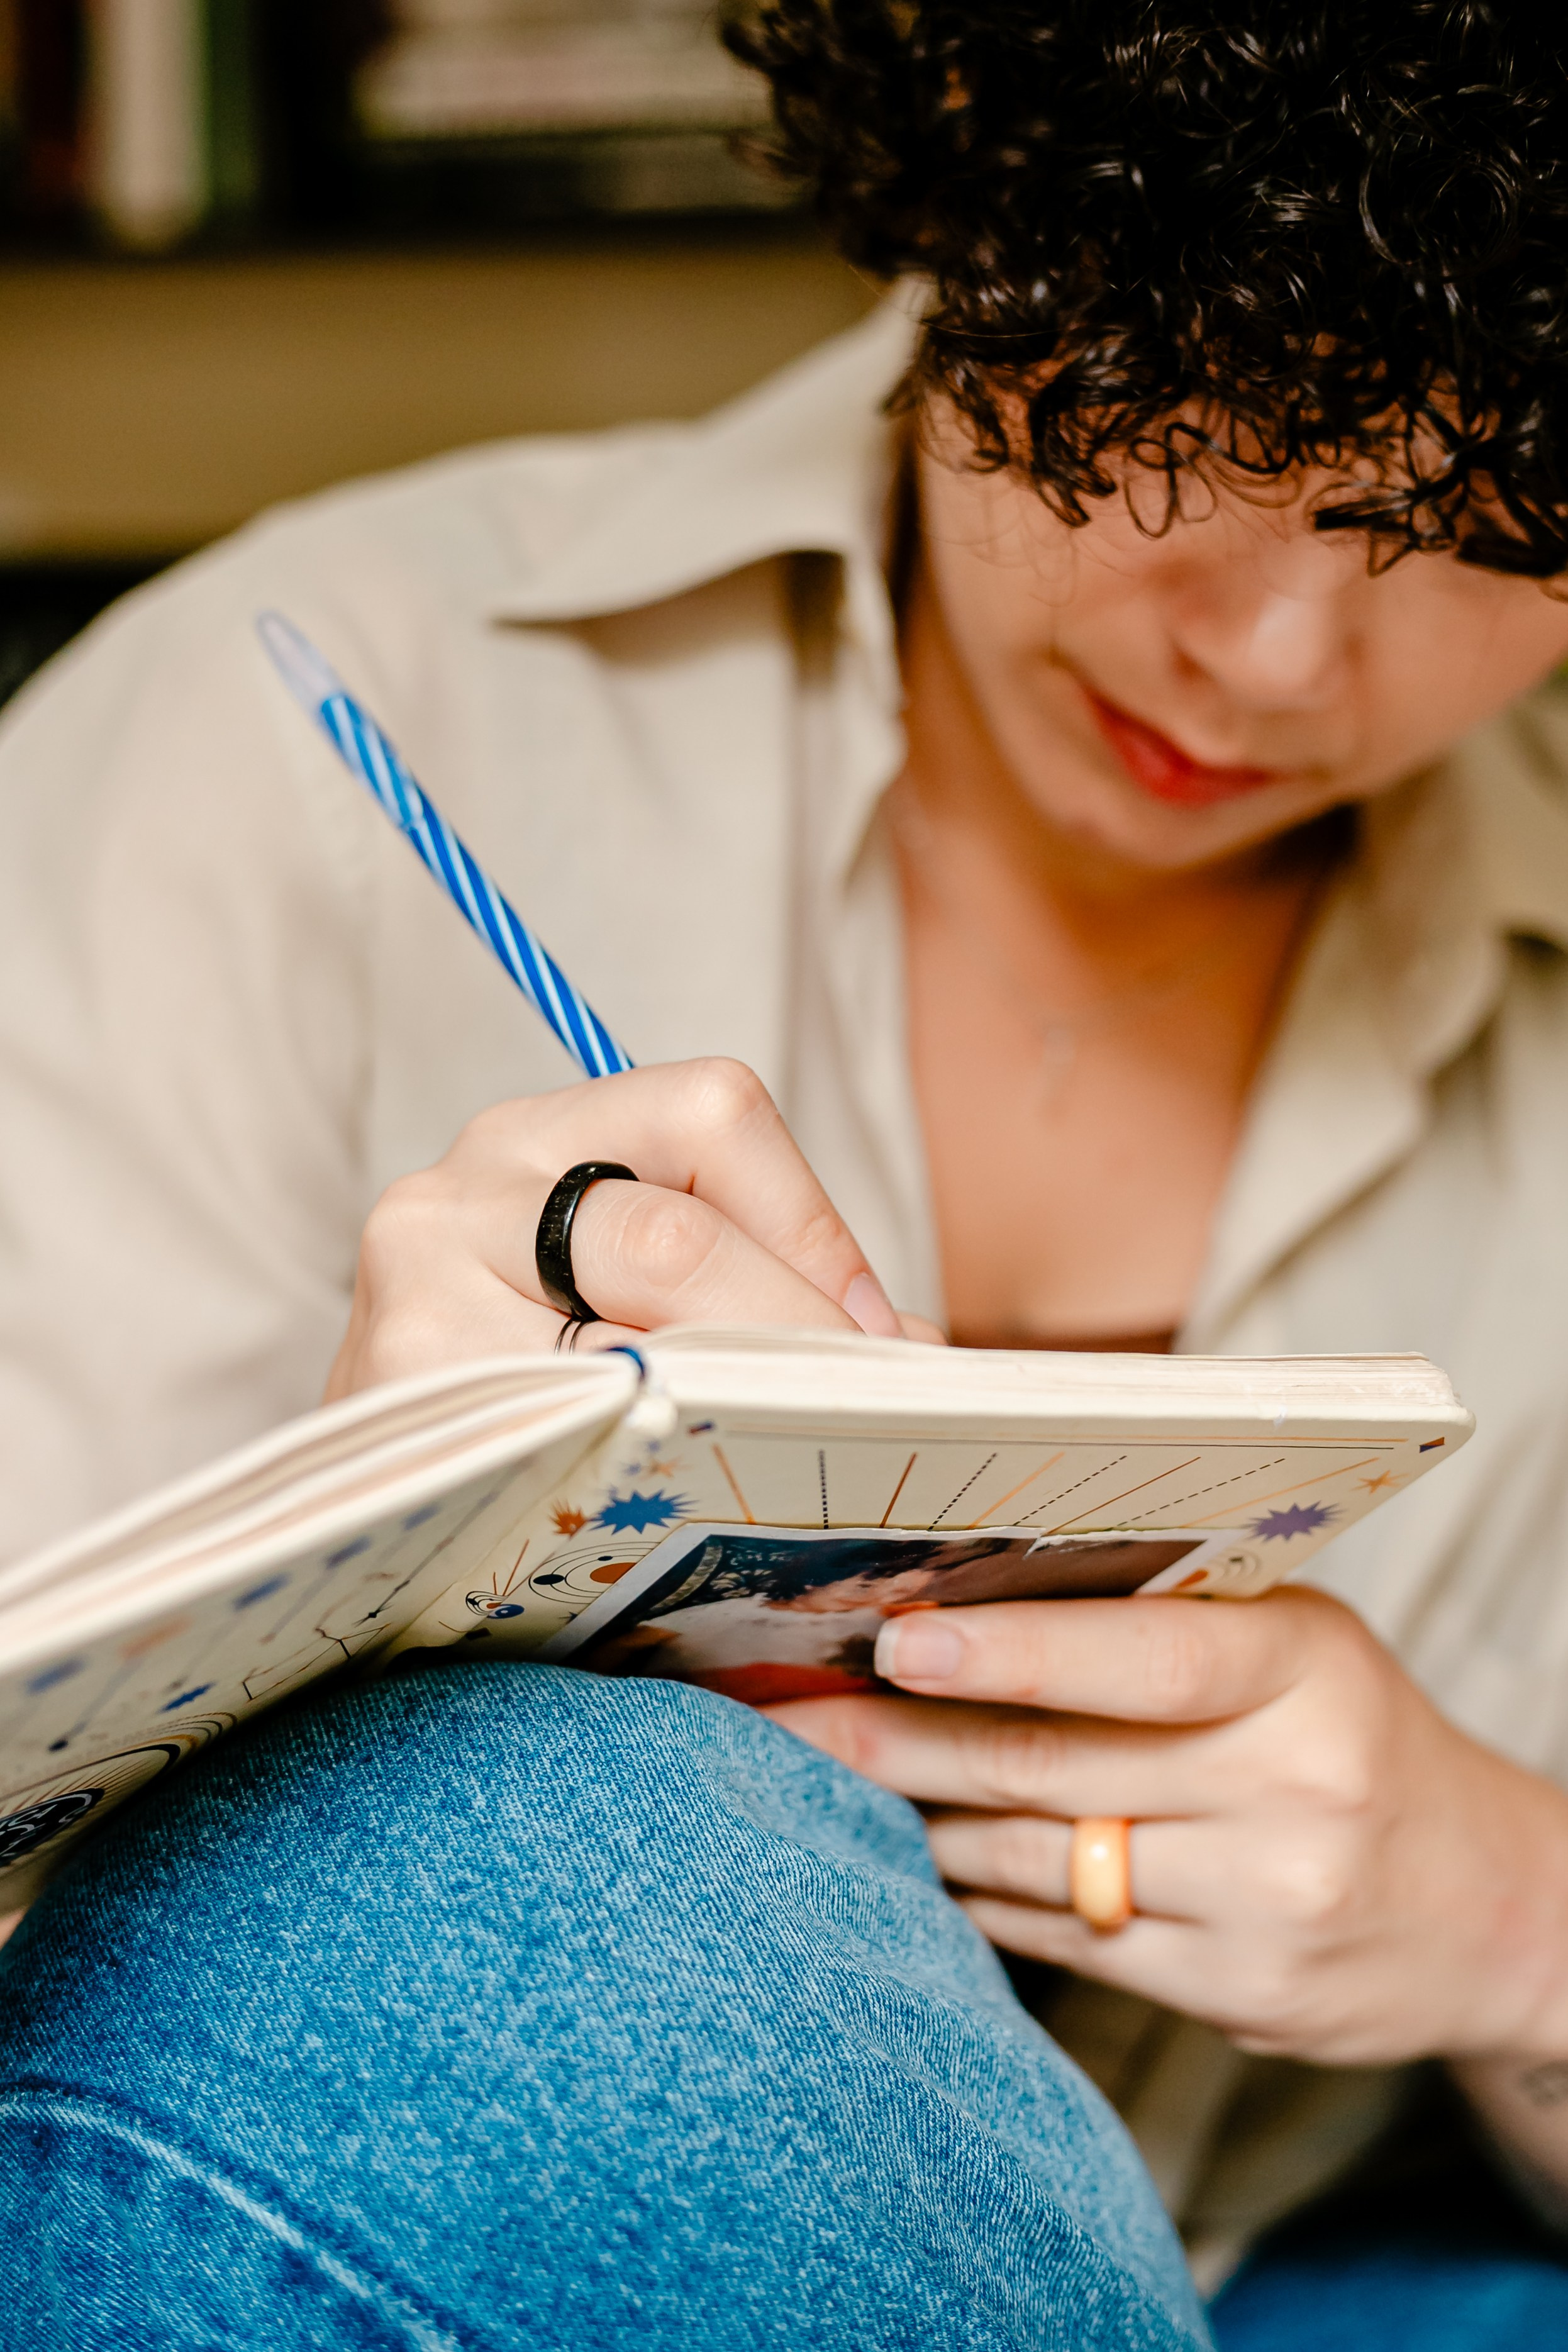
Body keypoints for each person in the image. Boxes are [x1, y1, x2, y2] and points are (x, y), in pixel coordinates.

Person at [5, 0, 1568, 2339]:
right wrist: (351, 1611)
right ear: (969, 173)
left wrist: (1513, 1915)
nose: (1261, 654)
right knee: (557, 1829)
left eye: (1491, 528)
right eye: (1207, 406)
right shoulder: (285, 744)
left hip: (1356, 2264)